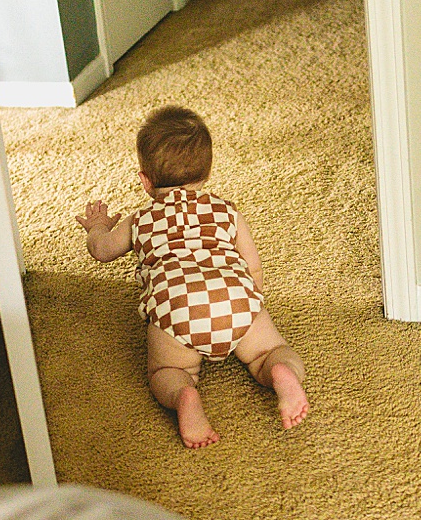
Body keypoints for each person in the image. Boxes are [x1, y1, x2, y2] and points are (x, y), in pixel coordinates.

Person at [76, 104, 309, 448]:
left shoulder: (140, 220)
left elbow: (102, 251)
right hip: (236, 298)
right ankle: (280, 375)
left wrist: (98, 226)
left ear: (145, 180)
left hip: (178, 308)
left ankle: (185, 394)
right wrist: (251, 302)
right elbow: (253, 265)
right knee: (270, 351)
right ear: (207, 172)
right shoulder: (226, 211)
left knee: (166, 373)